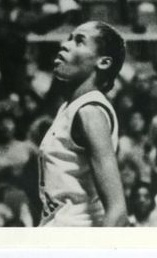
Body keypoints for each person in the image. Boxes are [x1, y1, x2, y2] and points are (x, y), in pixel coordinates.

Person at [38, 21, 128, 226]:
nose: (65, 45)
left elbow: (118, 212)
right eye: (68, 38)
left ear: (103, 62)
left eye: (79, 41)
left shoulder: (89, 111)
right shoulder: (68, 108)